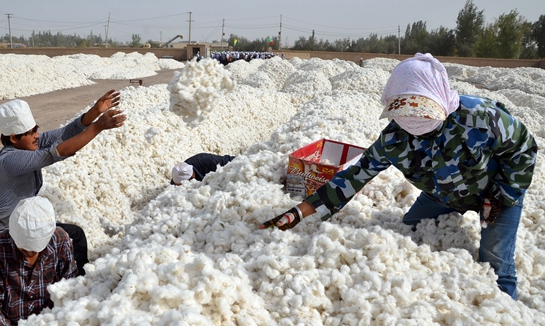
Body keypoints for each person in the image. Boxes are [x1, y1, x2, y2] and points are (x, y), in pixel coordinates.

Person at [260, 53, 537, 300]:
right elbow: (352, 178)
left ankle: (506, 307)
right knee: (410, 228)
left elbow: (523, 150)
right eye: (406, 113)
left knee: (495, 261)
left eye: (422, 112)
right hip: (442, 196)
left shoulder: (481, 117)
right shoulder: (394, 140)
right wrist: (297, 213)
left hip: (497, 194)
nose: (415, 121)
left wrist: (502, 197)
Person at [0, 90, 126, 275]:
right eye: (30, 132)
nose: (37, 136)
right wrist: (97, 127)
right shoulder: (9, 160)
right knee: (75, 236)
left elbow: (65, 133)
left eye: (36, 129)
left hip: (22, 220)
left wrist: (95, 111)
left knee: (72, 235)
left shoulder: (29, 144)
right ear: (13, 138)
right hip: (5, 227)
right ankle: (75, 279)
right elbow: (56, 152)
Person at [0, 196, 78, 326]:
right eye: (24, 249)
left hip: (52, 324)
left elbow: (70, 287)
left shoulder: (60, 240)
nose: (30, 253)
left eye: (36, 249)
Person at [171, 153, 235, 185]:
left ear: (193, 176)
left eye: (181, 185)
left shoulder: (209, 162)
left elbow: (231, 161)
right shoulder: (177, 175)